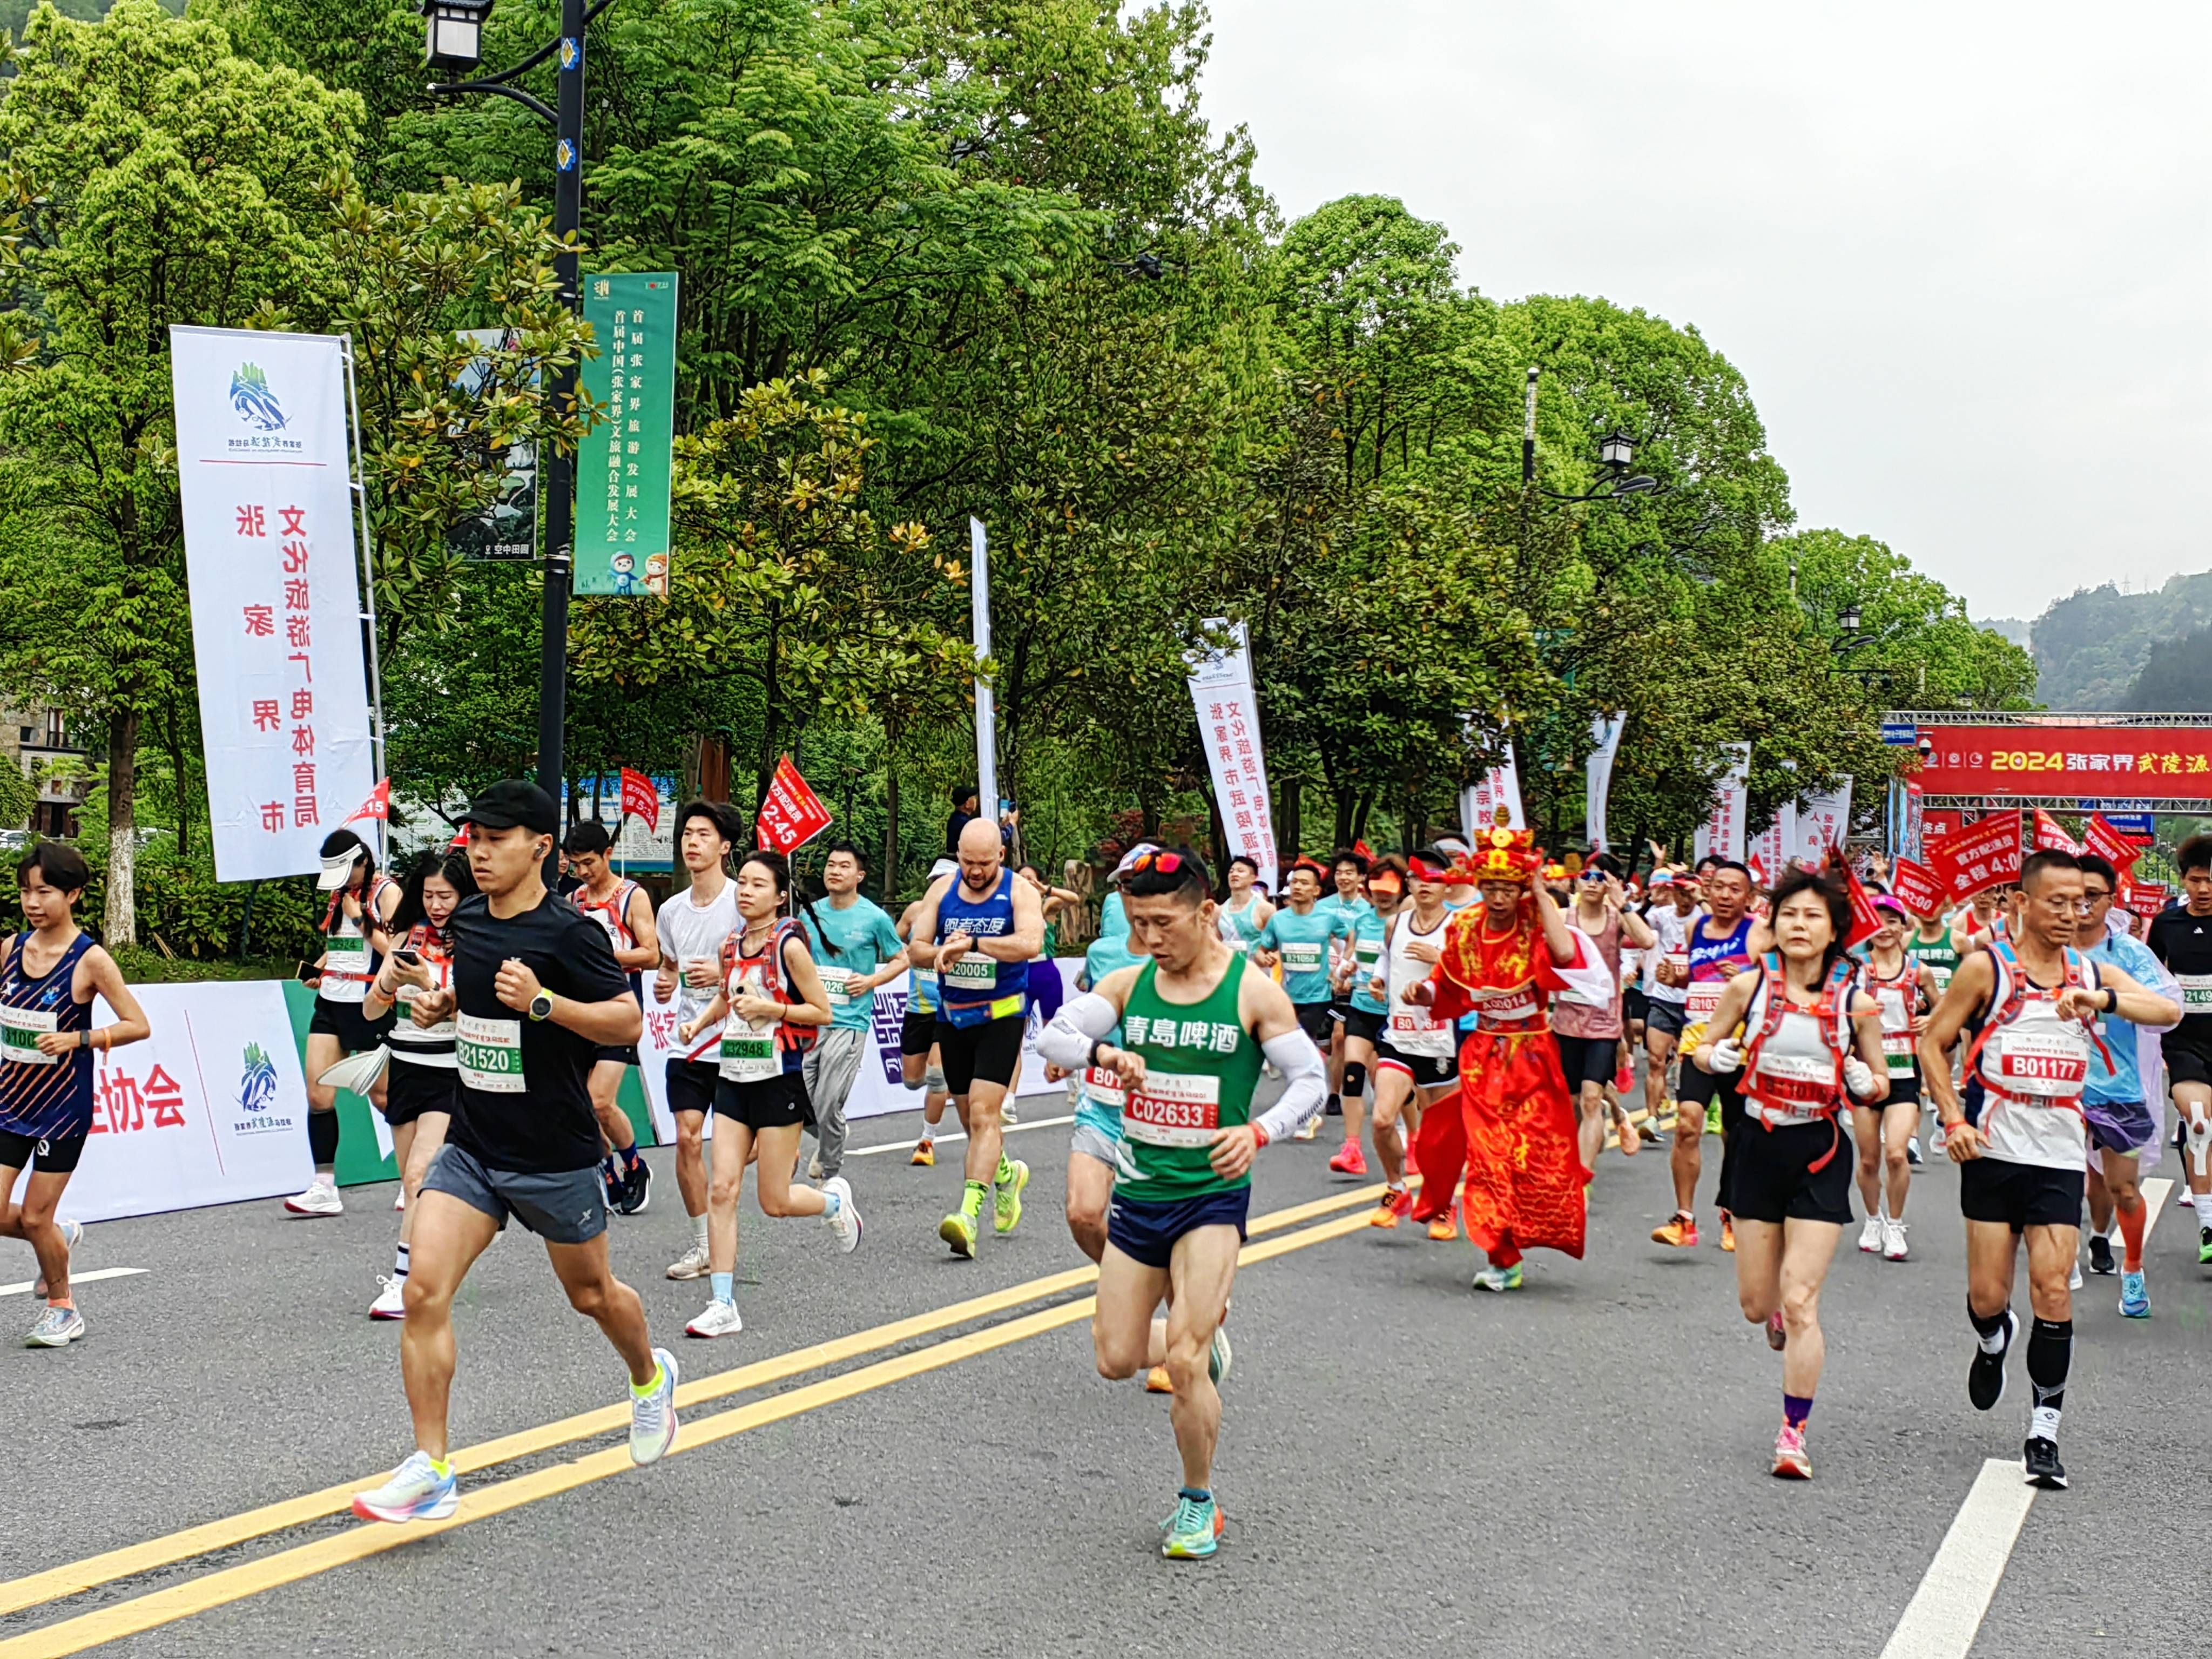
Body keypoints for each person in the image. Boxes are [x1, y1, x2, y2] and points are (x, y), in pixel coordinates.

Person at [352, 780, 677, 1523]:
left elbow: (626, 1020)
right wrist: (445, 1004)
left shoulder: (571, 934)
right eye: (475, 838)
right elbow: (477, 998)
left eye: (497, 840)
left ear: (540, 847)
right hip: (474, 1144)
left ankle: (650, 1377)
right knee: (422, 1291)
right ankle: (431, 1468)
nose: (481, 851)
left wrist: (545, 1003)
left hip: (553, 1152)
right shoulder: (468, 917)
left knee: (591, 1294)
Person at [1036, 846, 1326, 1559]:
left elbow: (1310, 1080)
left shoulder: (1252, 991)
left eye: (1164, 923)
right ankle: (1200, 1337)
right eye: (1139, 923)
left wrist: (1259, 1131)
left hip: (1211, 1200)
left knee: (1185, 1365)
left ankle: (1199, 1503)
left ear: (1205, 913)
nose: (1151, 938)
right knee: (1116, 1358)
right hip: (1140, 1196)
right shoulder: (1133, 984)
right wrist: (1106, 1057)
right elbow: (1053, 1034)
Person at [1918, 847, 2176, 1492]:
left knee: (2054, 1291)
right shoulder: (1986, 969)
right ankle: (1991, 1337)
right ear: (2022, 904)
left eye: (2081, 902)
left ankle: (2043, 1431)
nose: (2071, 913)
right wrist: (1953, 1118)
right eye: (2056, 901)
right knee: (1987, 1297)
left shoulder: (2091, 970)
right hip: (1993, 1150)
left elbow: (2167, 1012)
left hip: (2060, 1154)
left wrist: (2100, 998)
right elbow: (1933, 1041)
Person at [1695, 868, 1890, 1479]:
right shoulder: (1747, 987)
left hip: (1819, 1151)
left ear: (1833, 929)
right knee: (1759, 1306)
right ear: (1772, 924)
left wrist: (1866, 1081)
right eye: (1788, 915)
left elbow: (1881, 1079)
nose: (1798, 926)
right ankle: (1774, 1312)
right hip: (1757, 1145)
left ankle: (1793, 1434)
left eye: (1811, 916)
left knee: (1802, 1301)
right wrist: (1713, 1054)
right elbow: (1702, 1047)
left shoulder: (1856, 1002)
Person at [1403, 829, 1603, 1291]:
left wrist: (1539, 892)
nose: (1497, 897)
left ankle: (1531, 1229)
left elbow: (1566, 954)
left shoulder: (1536, 921)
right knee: (1487, 1156)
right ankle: (1500, 1254)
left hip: (1532, 1055)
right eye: (1490, 887)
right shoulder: (1465, 926)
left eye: (1507, 888)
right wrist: (1422, 992)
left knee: (1532, 1158)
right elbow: (1444, 984)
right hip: (1483, 1058)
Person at [676, 850, 862, 1338]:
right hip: (733, 1077)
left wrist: (772, 1008)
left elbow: (822, 1012)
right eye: (743, 883)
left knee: (775, 1201)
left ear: (780, 897)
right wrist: (699, 1023)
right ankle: (722, 1303)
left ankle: (833, 1205)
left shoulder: (791, 947)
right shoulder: (732, 943)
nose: (745, 891)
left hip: (779, 1078)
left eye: (759, 885)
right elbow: (727, 995)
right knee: (722, 1188)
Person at [0, 842, 151, 1347]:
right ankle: (59, 1240)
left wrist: (80, 1038)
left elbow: (138, 1025)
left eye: (44, 891)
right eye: (25, 891)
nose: (32, 902)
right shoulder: (9, 949)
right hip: (8, 1100)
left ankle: (63, 1308)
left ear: (74, 894)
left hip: (61, 1108)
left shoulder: (91, 960)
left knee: (36, 1215)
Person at [910, 818, 1046, 1257]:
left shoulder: (1019, 891)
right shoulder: (942, 890)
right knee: (970, 1122)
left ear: (1000, 857)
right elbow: (916, 949)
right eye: (968, 862)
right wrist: (941, 952)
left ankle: (967, 1217)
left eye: (984, 863)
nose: (975, 871)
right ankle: (1007, 1175)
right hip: (954, 1017)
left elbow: (1029, 943)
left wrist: (973, 946)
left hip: (1002, 1017)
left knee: (986, 1117)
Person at [358, 850, 476, 1319]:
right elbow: (370, 1011)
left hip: (451, 1069)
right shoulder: (406, 935)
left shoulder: (475, 940)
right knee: (413, 1188)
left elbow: (479, 1009)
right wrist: (387, 985)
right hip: (405, 1065)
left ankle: (405, 1282)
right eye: (428, 895)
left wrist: (428, 979)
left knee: (419, 1175)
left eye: (445, 895)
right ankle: (438, 1263)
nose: (436, 905)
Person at [2077, 854, 2178, 1315]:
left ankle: (2132, 1268)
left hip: (2117, 1089)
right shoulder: (2041, 949)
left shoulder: (2129, 954)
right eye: (2072, 896)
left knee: (2122, 1189)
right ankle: (2068, 1255)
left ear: (2110, 901)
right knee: (2066, 1182)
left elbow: (2167, 1009)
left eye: (2092, 896)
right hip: (2059, 1088)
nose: (2081, 906)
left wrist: (2109, 1000)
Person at [1653, 861, 1769, 1252]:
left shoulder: (1758, 935)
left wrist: (1747, 977)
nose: (1724, 895)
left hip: (1740, 1048)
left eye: (1735, 889)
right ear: (1708, 889)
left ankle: (1732, 1210)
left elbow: (1777, 984)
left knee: (1736, 1135)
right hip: (1697, 1043)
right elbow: (1697, 977)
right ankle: (1683, 1218)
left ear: (1749, 896)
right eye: (1718, 887)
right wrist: (1677, 979)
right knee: (1687, 1124)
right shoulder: (1695, 929)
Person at [651, 802, 744, 1282]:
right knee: (687, 1138)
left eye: (703, 835)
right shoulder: (670, 910)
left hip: (739, 1042)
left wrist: (725, 971)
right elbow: (669, 965)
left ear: (724, 846)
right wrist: (666, 982)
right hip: (688, 1041)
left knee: (744, 1147)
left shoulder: (743, 902)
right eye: (687, 834)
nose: (692, 842)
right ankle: (703, 1245)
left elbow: (772, 962)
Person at [293, 828, 401, 1216]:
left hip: (372, 1002)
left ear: (363, 863)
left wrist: (361, 920)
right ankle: (324, 1186)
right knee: (318, 1093)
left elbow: (397, 951)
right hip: (331, 1001)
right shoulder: (340, 895)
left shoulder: (386, 893)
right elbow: (337, 945)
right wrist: (318, 970)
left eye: (346, 873)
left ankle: (415, 1175)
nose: (340, 884)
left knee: (385, 1096)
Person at [563, 821, 657, 1216]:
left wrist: (601, 956)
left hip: (619, 1011)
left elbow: (652, 954)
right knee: (580, 1107)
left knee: (600, 1101)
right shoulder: (574, 901)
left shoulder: (631, 897)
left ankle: (635, 1167)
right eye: (575, 865)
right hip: (579, 1014)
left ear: (608, 854)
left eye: (589, 863)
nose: (584, 872)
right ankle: (606, 1172)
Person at [800, 842, 908, 1183]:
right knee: (799, 1100)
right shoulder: (809, 913)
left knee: (829, 1101)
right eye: (831, 865)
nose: (835, 871)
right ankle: (834, 1135)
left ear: (859, 876)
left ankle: (830, 1172)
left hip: (849, 1020)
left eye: (844, 866)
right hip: (809, 1019)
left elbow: (902, 959)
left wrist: (871, 981)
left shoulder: (875, 918)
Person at [1367, 851, 1460, 1230]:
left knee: (1440, 1137)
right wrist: (1378, 981)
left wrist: (1439, 957)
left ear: (1446, 885)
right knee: (1382, 1119)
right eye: (1419, 878)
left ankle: (1444, 1203)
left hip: (1439, 1040)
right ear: (1409, 884)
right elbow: (1386, 961)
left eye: (1434, 879)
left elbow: (1468, 977)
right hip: (1398, 1037)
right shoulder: (1395, 923)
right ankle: (1395, 1188)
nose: (1426, 886)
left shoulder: (1458, 925)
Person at [1555, 861, 1655, 1172]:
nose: (1593, 882)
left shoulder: (1616, 919)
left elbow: (1647, 941)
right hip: (1566, 1023)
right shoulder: (1564, 918)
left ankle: (1582, 1175)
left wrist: (1622, 903)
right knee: (1572, 1104)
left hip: (1603, 1025)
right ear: (1577, 882)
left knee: (1590, 1097)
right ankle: (1587, 1146)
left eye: (1601, 878)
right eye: (1587, 877)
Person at [2144, 832, 2212, 1264]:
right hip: (2186, 1043)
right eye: (2195, 880)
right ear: (2183, 881)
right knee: (2201, 1124)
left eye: (2210, 881)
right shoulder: (2166, 925)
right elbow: (2148, 979)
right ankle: (2209, 1225)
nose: (2203, 889)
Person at [1252, 858, 1351, 1139]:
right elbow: (1262, 950)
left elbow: (1350, 938)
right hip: (1286, 997)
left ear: (1317, 891)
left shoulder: (1327, 918)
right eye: (1294, 882)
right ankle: (1303, 1102)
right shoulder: (1279, 920)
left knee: (1301, 1046)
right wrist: (1265, 957)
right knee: (1289, 1053)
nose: (1298, 887)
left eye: (1304, 883)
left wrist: (1344, 965)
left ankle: (1307, 1113)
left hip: (1318, 996)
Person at [1854, 895, 1929, 1261]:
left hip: (1904, 1073)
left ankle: (1896, 1225)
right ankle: (1873, 1218)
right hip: (1865, 1072)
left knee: (1897, 1155)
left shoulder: (1918, 970)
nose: (1884, 929)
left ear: (1904, 928)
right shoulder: (1857, 970)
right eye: (1877, 921)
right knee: (1869, 1160)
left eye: (1892, 921)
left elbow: (1946, 1004)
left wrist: (1930, 1019)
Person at [1333, 857, 1406, 1177]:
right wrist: (1345, 969)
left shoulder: (1407, 922)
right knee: (1353, 1071)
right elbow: (1353, 955)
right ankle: (1352, 1150)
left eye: (1391, 889)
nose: (1384, 895)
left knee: (1395, 1083)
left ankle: (1414, 1140)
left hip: (1395, 1012)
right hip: (1362, 1006)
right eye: (1378, 888)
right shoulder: (1363, 920)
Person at [898, 859, 960, 1165]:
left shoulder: (964, 916)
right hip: (916, 1008)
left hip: (948, 1007)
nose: (940, 887)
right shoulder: (915, 911)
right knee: (912, 1079)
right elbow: (895, 940)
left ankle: (927, 1140)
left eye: (946, 881)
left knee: (936, 1076)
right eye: (936, 881)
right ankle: (949, 1082)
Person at [1640, 871, 1697, 1141]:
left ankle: (1686, 1110)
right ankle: (1652, 1118)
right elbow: (1637, 927)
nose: (1685, 899)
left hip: (1693, 1000)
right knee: (1655, 1060)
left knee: (1691, 1064)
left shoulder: (1704, 919)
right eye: (1680, 893)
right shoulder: (1661, 915)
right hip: (1663, 997)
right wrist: (1650, 900)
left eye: (1690, 893)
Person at [1217, 855, 1273, 955]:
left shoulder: (1265, 909)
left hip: (1256, 968)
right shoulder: (1218, 911)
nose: (1234, 874)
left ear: (1253, 878)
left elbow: (1275, 944)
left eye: (1240, 871)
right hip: (1229, 968)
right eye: (1231, 871)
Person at [945, 783, 981, 857]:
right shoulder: (966, 824)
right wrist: (1009, 825)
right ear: (967, 804)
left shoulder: (956, 819)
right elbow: (988, 842)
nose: (976, 800)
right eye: (973, 798)